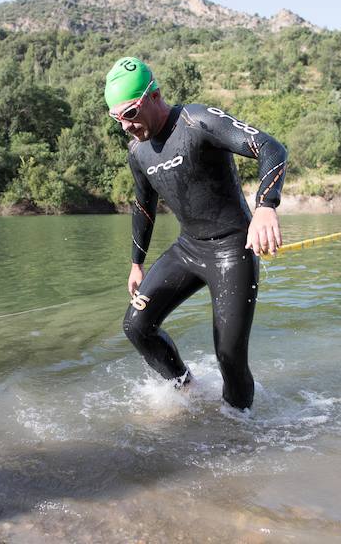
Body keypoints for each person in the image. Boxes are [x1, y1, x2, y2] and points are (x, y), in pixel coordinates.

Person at [106, 57, 287, 411]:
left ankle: (239, 426)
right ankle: (187, 389)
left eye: (129, 113)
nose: (125, 126)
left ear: (154, 95)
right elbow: (143, 206)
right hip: (188, 250)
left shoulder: (197, 120)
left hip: (233, 249)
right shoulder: (137, 151)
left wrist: (266, 205)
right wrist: (136, 264)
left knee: (229, 355)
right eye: (117, 119)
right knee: (137, 326)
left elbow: (270, 148)